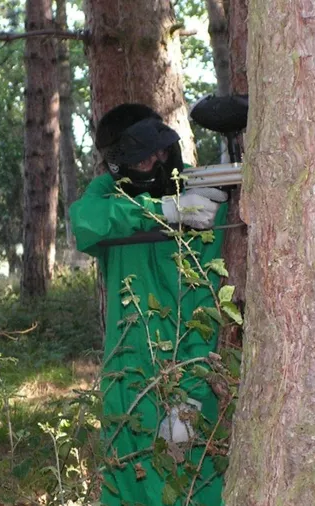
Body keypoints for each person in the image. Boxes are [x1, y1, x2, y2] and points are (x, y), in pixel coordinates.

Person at [70, 104, 228, 505]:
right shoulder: (109, 193)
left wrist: (189, 401)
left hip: (185, 378)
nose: (155, 162)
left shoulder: (201, 195)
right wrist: (163, 211)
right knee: (125, 487)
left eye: (158, 152)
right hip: (126, 376)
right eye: (140, 159)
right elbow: (86, 223)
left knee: (193, 489)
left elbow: (206, 308)